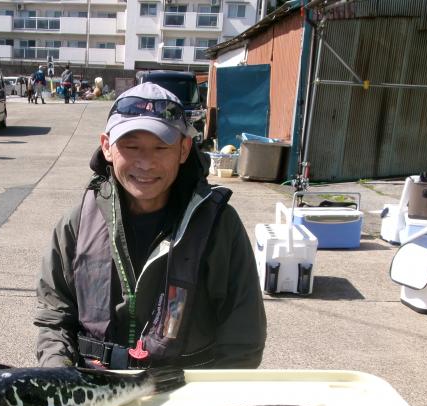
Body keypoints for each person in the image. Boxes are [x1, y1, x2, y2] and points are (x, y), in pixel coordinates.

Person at [35, 83, 266, 369]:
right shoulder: (77, 224)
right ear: (107, 147)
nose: (145, 163)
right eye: (131, 147)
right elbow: (54, 322)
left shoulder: (220, 226)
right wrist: (62, 376)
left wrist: (209, 402)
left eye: (161, 147)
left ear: (183, 149)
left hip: (184, 393)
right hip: (95, 386)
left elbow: (243, 342)